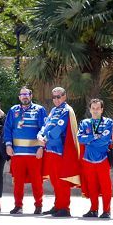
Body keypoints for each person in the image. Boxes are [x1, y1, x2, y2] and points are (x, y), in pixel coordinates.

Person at [2, 87, 47, 215]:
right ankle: (18, 206)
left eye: (26, 94)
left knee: (37, 181)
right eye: (22, 95)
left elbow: (44, 128)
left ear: (31, 96)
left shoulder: (39, 110)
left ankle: (38, 205)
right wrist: (8, 145)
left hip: (34, 153)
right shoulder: (13, 110)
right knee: (17, 181)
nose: (24, 97)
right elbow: (8, 129)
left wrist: (41, 147)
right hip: (17, 153)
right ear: (19, 97)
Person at [37, 87, 81, 218]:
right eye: (54, 97)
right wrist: (40, 135)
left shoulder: (66, 110)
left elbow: (58, 129)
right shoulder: (53, 110)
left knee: (61, 180)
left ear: (64, 96)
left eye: (59, 96)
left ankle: (64, 207)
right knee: (54, 180)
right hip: (49, 149)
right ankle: (58, 205)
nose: (56, 99)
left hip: (60, 151)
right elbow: (46, 125)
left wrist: (44, 138)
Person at [77, 98, 113, 219]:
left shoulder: (108, 122)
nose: (95, 111)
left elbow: (106, 140)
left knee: (105, 186)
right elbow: (80, 139)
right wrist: (95, 136)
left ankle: (106, 211)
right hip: (88, 159)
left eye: (98, 108)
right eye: (93, 108)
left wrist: (90, 140)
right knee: (91, 185)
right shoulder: (84, 123)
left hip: (103, 159)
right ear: (90, 109)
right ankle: (93, 209)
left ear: (102, 109)